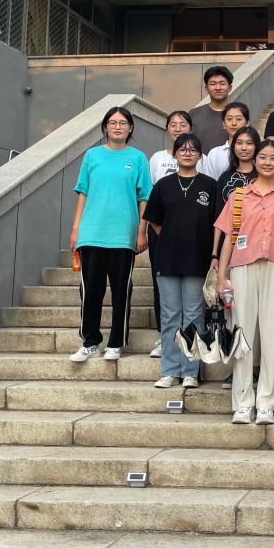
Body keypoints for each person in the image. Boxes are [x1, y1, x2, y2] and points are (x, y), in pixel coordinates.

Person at [215, 140, 274, 425]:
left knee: (272, 334)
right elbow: (229, 237)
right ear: (255, 160)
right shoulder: (239, 196)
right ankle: (242, 401)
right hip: (242, 266)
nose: (267, 162)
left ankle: (266, 403)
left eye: (273, 158)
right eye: (263, 157)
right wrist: (221, 276)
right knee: (243, 334)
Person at [68, 107, 151, 363]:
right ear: (105, 127)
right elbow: (83, 192)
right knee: (90, 291)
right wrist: (76, 228)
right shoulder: (92, 155)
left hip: (123, 235)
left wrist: (141, 231)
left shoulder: (138, 158)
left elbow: (144, 197)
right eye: (112, 122)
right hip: (92, 232)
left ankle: (116, 343)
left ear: (130, 128)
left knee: (121, 292)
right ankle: (90, 341)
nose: (117, 127)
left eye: (123, 123)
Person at [143, 132, 217, 389]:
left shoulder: (210, 185)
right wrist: (171, 237)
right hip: (167, 259)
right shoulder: (163, 185)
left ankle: (190, 371)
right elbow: (154, 220)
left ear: (200, 155)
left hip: (197, 260)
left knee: (194, 316)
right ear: (174, 154)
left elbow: (216, 225)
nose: (187, 153)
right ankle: (170, 370)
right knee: (170, 315)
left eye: (192, 149)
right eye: (182, 149)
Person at [147, 110, 195, 359]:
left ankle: (191, 339)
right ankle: (163, 336)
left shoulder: (199, 157)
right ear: (167, 129)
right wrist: (159, 232)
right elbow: (149, 195)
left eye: (182, 124)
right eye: (173, 124)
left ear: (191, 128)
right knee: (162, 286)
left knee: (192, 292)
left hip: (191, 233)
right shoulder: (157, 158)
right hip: (161, 230)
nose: (177, 128)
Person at [213, 126, 260, 220]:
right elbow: (218, 215)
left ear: (256, 146)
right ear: (233, 146)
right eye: (239, 143)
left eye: (249, 143)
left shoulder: (263, 177)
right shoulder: (224, 178)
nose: (243, 148)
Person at [199, 101, 250, 180]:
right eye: (229, 119)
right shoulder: (214, 154)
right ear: (223, 123)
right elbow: (209, 183)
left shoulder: (255, 151)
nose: (234, 123)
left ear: (247, 123)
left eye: (239, 119)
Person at [195, 65, 234, 154]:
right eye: (213, 84)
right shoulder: (194, 114)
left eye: (222, 83)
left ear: (230, 87)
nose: (218, 88)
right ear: (206, 88)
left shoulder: (238, 115)